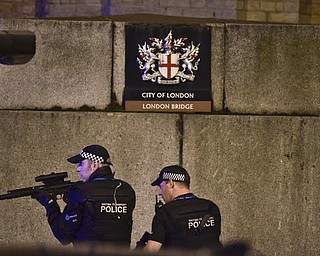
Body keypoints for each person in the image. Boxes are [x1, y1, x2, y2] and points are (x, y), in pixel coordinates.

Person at [32, 144, 136, 248]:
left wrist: (50, 204)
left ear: (94, 164)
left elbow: (63, 235)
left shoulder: (80, 191)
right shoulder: (127, 190)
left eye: (81, 163)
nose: (78, 169)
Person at [144, 165, 221, 254]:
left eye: (161, 187)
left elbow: (151, 251)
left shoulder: (165, 212)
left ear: (171, 183)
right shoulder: (211, 207)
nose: (160, 192)